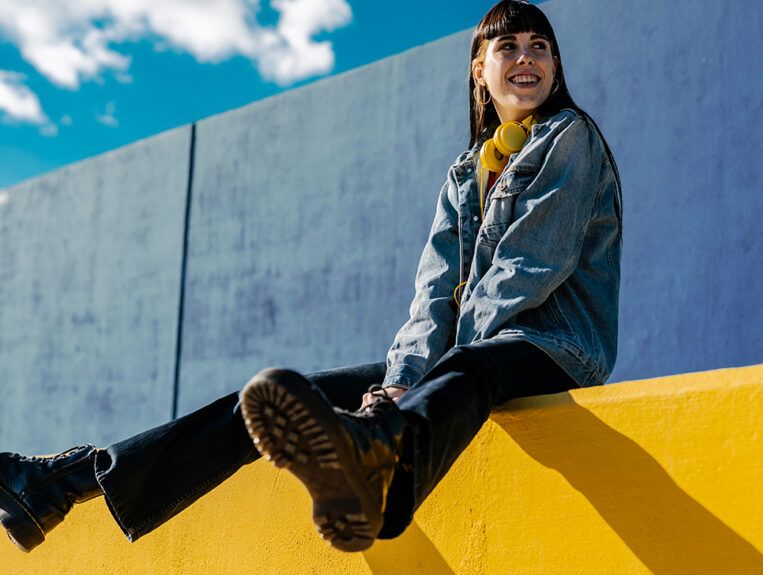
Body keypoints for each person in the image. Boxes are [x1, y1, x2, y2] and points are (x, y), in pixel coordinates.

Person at [0, 0, 621, 554]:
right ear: (480, 71)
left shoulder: (570, 137)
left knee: (473, 366)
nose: (527, 58)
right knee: (281, 396)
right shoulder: (464, 174)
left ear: (556, 68)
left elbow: (525, 271)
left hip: (548, 348)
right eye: (507, 46)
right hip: (464, 360)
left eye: (541, 46)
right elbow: (434, 294)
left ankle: (382, 467)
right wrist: (403, 378)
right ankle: (61, 484)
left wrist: (407, 390)